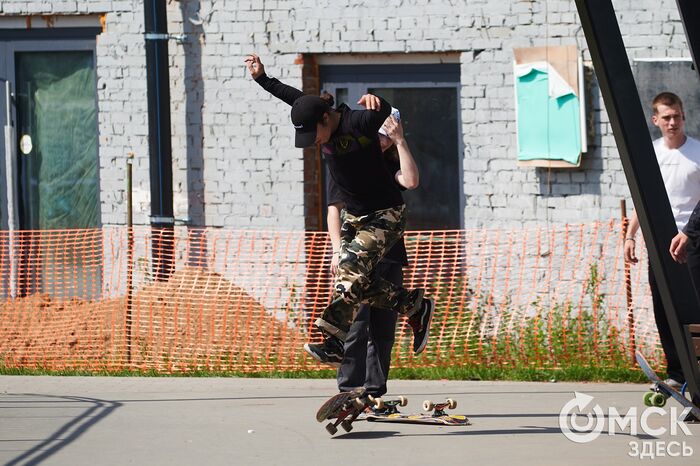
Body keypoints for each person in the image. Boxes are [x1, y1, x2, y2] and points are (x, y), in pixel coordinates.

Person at [244, 53, 434, 366]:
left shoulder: (357, 122)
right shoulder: (312, 110)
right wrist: (262, 78)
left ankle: (334, 342)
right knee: (350, 278)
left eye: (314, 134)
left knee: (351, 267)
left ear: (326, 119)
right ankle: (414, 306)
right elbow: (288, 94)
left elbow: (384, 111)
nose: (314, 142)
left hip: (385, 214)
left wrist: (376, 101)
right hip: (354, 218)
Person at [333, 107, 418, 403]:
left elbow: (411, 181)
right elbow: (334, 209)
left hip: (389, 255)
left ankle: (374, 392)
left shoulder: (391, 162)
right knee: (357, 325)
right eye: (380, 134)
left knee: (383, 329)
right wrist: (337, 250)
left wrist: (400, 141)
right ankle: (349, 390)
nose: (382, 141)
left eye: (387, 136)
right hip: (358, 257)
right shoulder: (349, 159)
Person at [625, 92, 700, 389]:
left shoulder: (697, 152)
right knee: (664, 308)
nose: (672, 122)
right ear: (655, 120)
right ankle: (678, 373)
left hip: (693, 240)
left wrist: (690, 233)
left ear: (684, 117)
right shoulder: (651, 155)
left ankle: (697, 371)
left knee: (695, 308)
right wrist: (630, 235)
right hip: (660, 243)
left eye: (677, 116)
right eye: (666, 117)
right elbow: (641, 200)